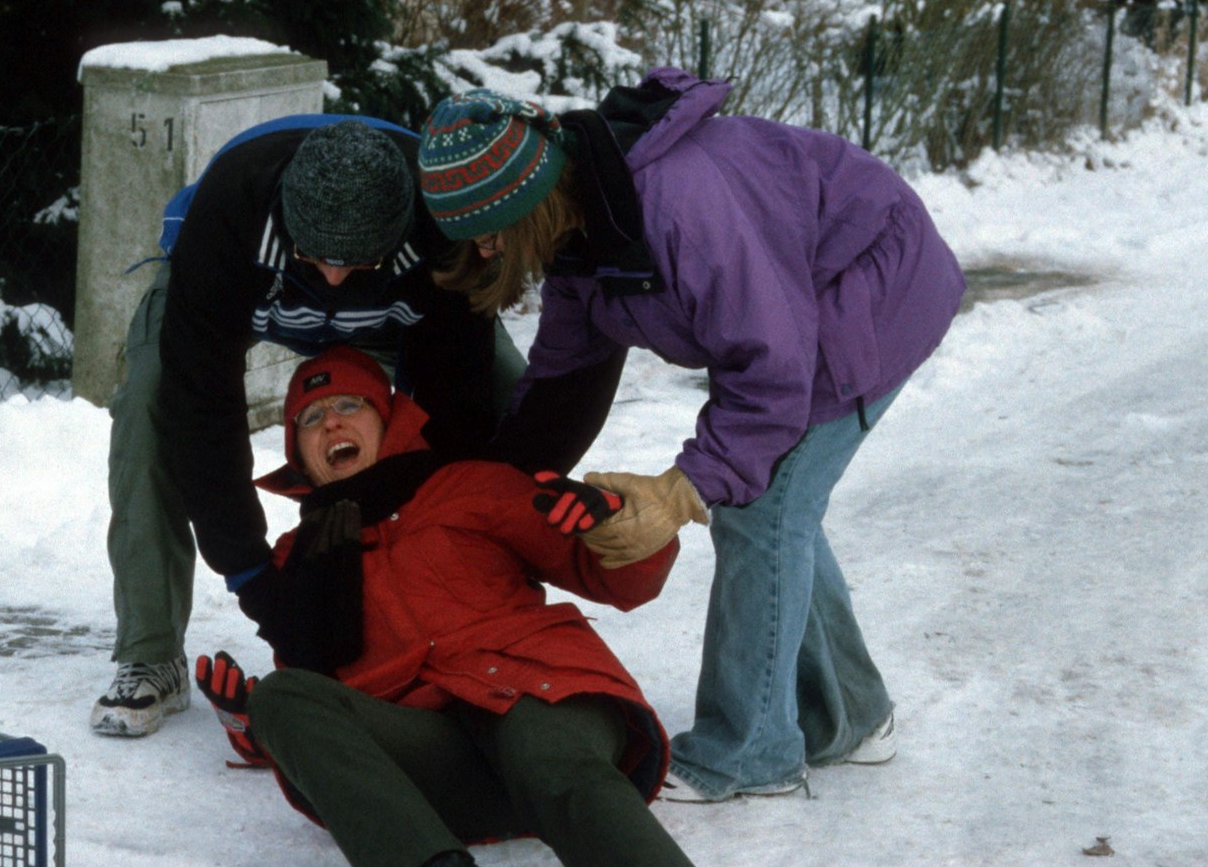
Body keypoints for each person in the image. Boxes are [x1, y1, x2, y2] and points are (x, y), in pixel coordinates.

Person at [413, 72, 966, 801]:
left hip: (870, 290)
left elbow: (772, 365)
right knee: (779, 507)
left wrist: (681, 492)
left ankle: (750, 752)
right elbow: (564, 374)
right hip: (798, 309)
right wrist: (499, 484)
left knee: (761, 511)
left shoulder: (680, 209)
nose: (483, 251)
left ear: (524, 205)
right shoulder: (585, 222)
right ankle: (855, 715)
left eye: (486, 233)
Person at [196, 345, 781, 867]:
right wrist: (252, 723)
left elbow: (617, 577)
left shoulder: (469, 484)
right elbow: (327, 718)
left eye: (348, 404)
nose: (331, 425)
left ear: (387, 418)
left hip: (538, 692)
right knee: (282, 697)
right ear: (299, 451)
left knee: (540, 746)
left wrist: (612, 523)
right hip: (440, 757)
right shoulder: (302, 557)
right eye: (310, 418)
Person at [92, 116, 527, 737]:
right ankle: (149, 651)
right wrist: (251, 574)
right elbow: (201, 410)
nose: (333, 279)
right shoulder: (227, 215)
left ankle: (479, 616)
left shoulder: (442, 229)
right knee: (148, 406)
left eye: (353, 261)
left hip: (399, 300)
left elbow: (450, 415)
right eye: (315, 257)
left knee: (507, 394)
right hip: (250, 283)